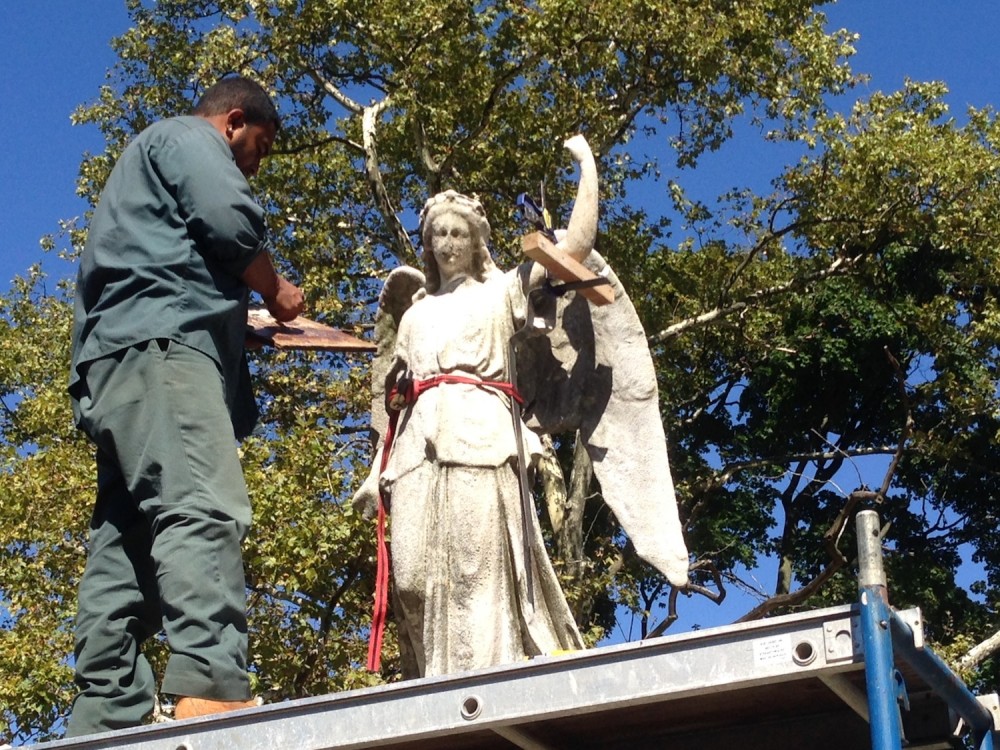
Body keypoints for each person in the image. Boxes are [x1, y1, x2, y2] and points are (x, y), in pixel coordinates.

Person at [65, 75, 304, 736]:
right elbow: (228, 222)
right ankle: (211, 683)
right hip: (164, 356)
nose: (256, 162)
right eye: (258, 146)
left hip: (123, 369)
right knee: (202, 502)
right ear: (233, 122)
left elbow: (181, 256)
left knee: (126, 542)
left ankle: (105, 712)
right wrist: (279, 293)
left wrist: (237, 320)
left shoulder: (144, 172)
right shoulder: (187, 138)